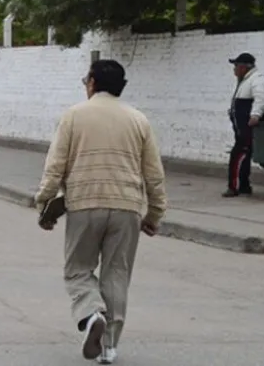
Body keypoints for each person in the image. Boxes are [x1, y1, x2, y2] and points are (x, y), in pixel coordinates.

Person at [35, 59, 167, 364]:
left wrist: (43, 202)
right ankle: (109, 347)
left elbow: (55, 166)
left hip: (84, 204)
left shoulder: (73, 116)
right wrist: (154, 214)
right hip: (127, 207)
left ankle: (91, 313)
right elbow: (154, 174)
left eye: (86, 80)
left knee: (78, 270)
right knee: (117, 273)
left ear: (92, 82)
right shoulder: (138, 120)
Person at [224, 53, 264, 198]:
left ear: (244, 67)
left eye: (236, 66)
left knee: (238, 155)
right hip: (241, 128)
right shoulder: (246, 81)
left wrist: (255, 115)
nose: (234, 70)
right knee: (243, 155)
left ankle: (235, 186)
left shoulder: (258, 80)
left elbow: (261, 99)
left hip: (248, 128)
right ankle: (243, 185)